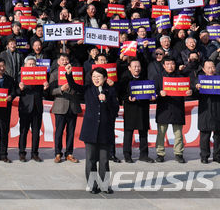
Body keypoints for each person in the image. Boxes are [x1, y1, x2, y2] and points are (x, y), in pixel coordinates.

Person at [64, 66, 119, 194]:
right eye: (94, 77)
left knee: (104, 160)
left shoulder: (110, 91)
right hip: (90, 130)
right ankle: (92, 185)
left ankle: (105, 185)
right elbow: (73, 85)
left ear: (105, 78)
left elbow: (115, 110)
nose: (96, 79)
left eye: (99, 77)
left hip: (105, 131)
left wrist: (106, 101)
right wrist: (69, 73)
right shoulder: (88, 89)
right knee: (90, 160)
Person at [154, 56, 191, 163]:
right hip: (163, 108)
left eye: (172, 64)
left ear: (175, 65)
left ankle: (178, 153)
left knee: (178, 133)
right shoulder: (158, 77)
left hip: (177, 107)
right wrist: (159, 94)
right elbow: (153, 92)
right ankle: (160, 153)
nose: (170, 66)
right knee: (161, 132)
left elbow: (189, 88)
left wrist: (190, 92)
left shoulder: (181, 76)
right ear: (163, 65)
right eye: (168, 64)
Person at [117, 58, 155, 163]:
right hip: (130, 109)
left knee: (143, 133)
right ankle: (127, 155)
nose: (137, 69)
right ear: (129, 68)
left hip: (143, 109)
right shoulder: (125, 80)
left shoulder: (145, 79)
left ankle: (144, 155)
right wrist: (127, 98)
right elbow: (120, 94)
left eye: (138, 66)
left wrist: (152, 97)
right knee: (128, 133)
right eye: (134, 67)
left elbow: (150, 92)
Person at [193, 60, 220, 164]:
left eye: (212, 67)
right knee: (205, 135)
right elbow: (193, 95)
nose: (211, 69)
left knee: (219, 134)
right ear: (204, 69)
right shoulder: (199, 80)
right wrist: (196, 88)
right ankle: (204, 156)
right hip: (205, 110)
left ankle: (218, 156)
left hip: (219, 110)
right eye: (208, 67)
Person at [15, 56, 49, 162]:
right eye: (29, 64)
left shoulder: (42, 76)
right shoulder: (20, 76)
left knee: (36, 132)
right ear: (25, 65)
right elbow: (16, 92)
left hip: (37, 107)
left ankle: (35, 153)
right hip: (25, 107)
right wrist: (20, 89)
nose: (31, 66)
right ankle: (22, 153)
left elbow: (45, 93)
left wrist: (45, 88)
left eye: (33, 64)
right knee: (23, 131)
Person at [50, 55, 81, 163]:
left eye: (66, 60)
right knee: (59, 132)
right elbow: (51, 91)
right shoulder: (54, 74)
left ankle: (69, 153)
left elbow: (81, 88)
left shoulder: (76, 73)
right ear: (58, 62)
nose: (64, 61)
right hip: (60, 107)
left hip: (73, 106)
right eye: (62, 60)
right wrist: (61, 89)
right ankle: (58, 153)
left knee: (71, 132)